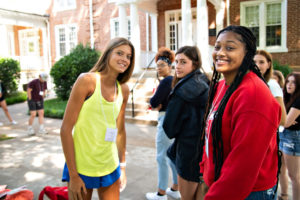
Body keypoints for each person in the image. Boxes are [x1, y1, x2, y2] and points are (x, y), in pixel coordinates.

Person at [198, 25, 281, 200]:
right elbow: (210, 137)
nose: (220, 53)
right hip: (222, 182)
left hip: (249, 192)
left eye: (230, 48)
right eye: (217, 46)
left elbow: (243, 167)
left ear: (247, 54)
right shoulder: (221, 86)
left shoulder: (253, 95)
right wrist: (206, 173)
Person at [60, 37, 134, 200]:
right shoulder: (87, 81)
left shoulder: (123, 90)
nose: (124, 59)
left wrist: (122, 166)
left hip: (109, 165)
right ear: (108, 54)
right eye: (119, 53)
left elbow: (120, 131)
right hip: (81, 166)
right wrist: (73, 175)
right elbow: (65, 129)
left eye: (128, 56)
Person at [163, 46, 209, 200]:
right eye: (176, 62)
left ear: (194, 64)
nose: (177, 66)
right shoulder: (204, 81)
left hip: (188, 151)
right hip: (204, 150)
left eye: (183, 62)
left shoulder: (182, 91)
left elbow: (169, 129)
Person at [146, 47, 180, 200]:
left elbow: (154, 102)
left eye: (162, 65)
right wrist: (155, 103)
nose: (159, 68)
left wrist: (152, 102)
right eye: (157, 66)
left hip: (165, 119)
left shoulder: (166, 81)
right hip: (171, 119)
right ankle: (175, 188)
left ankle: (161, 193)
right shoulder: (172, 80)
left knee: (161, 157)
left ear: (169, 66)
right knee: (170, 155)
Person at [278, 72, 300, 200]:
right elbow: (284, 120)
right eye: (288, 81)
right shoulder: (286, 97)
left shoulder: (298, 100)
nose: (289, 85)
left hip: (293, 137)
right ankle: (284, 195)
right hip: (283, 134)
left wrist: (285, 120)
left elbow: (285, 122)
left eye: (294, 82)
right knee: (281, 169)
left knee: (294, 175)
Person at [254, 50, 286, 126]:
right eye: (254, 62)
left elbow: (282, 119)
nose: (257, 65)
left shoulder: (272, 85)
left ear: (268, 65)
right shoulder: (245, 83)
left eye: (261, 62)